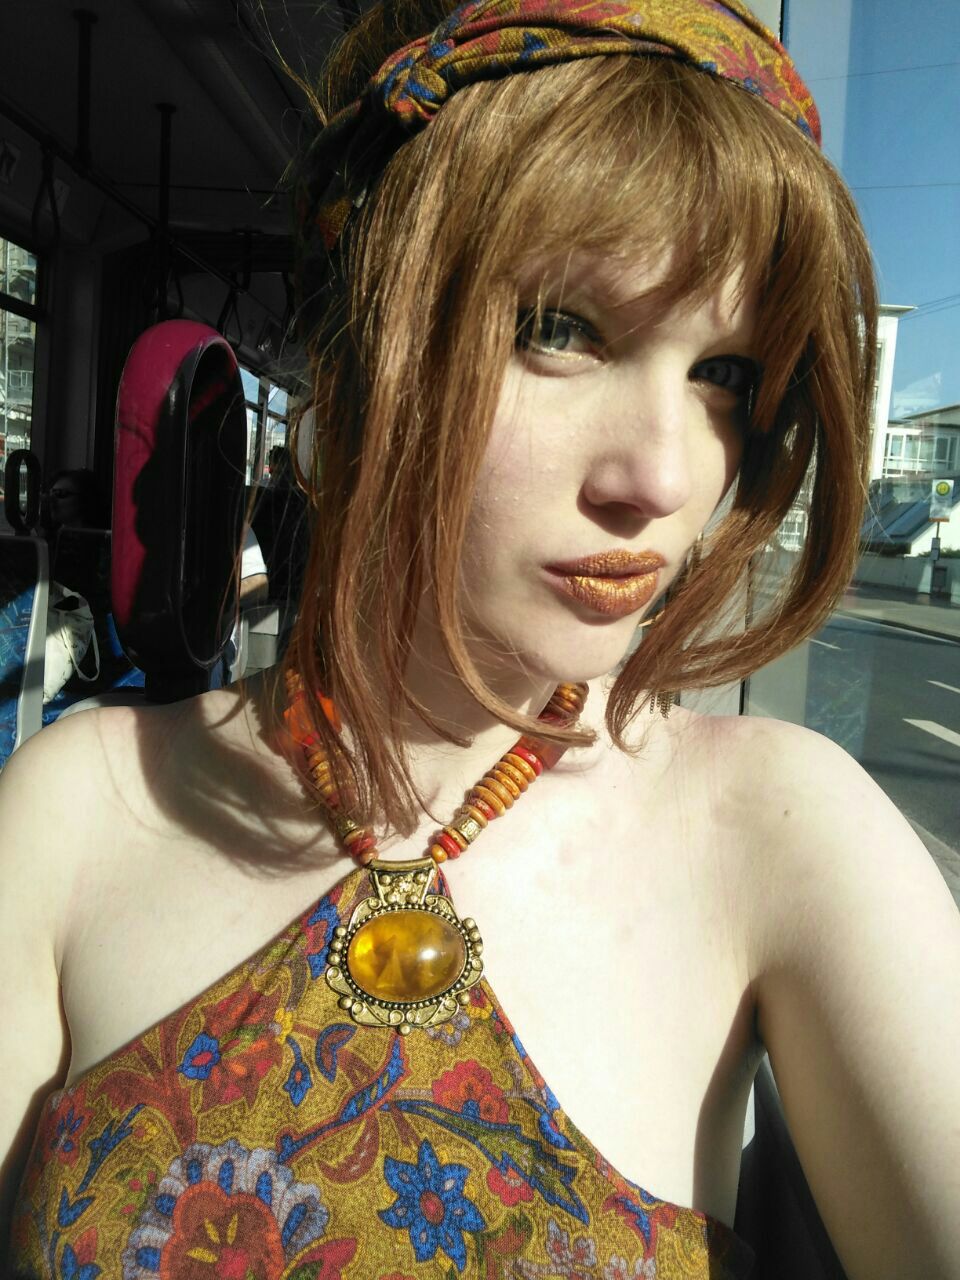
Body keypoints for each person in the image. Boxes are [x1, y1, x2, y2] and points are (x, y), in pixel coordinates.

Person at [2, 1, 958, 1277]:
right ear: (363, 356)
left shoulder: (785, 833)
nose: (664, 476)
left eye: (725, 375)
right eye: (563, 329)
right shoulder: (72, 814)